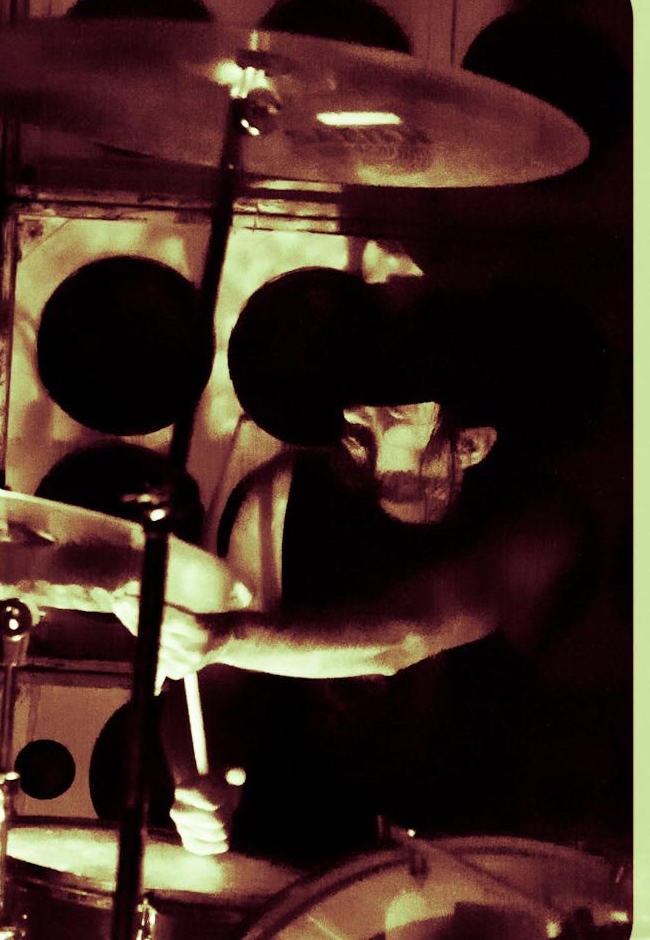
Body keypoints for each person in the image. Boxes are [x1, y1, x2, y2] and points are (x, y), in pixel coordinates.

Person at [114, 272, 599, 865]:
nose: (355, 412)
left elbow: (404, 634)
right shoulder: (279, 501)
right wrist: (196, 780)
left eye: (396, 408)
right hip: (291, 853)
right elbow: (212, 690)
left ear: (471, 445)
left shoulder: (542, 526)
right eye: (360, 391)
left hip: (469, 868)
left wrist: (222, 636)